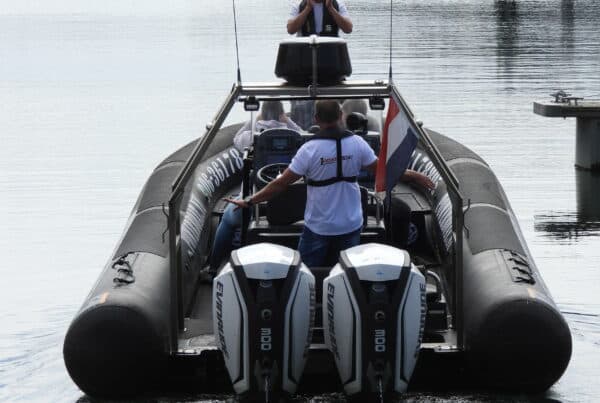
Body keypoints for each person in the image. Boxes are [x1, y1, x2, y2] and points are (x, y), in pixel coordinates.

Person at [226, 100, 434, 267]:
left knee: (305, 271)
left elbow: (280, 184)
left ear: (316, 119)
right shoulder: (358, 144)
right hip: (351, 224)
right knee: (347, 269)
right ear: (341, 116)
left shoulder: (308, 150)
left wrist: (250, 200)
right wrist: (414, 176)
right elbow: (385, 171)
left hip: (319, 227)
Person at [233, 100, 301, 152]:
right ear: (282, 115)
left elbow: (236, 139)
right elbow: (304, 138)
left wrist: (255, 119)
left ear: (261, 115)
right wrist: (288, 121)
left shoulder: (251, 137)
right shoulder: (292, 135)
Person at [287, 0, 353, 37]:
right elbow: (290, 30)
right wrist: (307, 8)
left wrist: (331, 8)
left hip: (331, 48)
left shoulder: (338, 4)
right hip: (305, 49)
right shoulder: (298, 5)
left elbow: (348, 29)